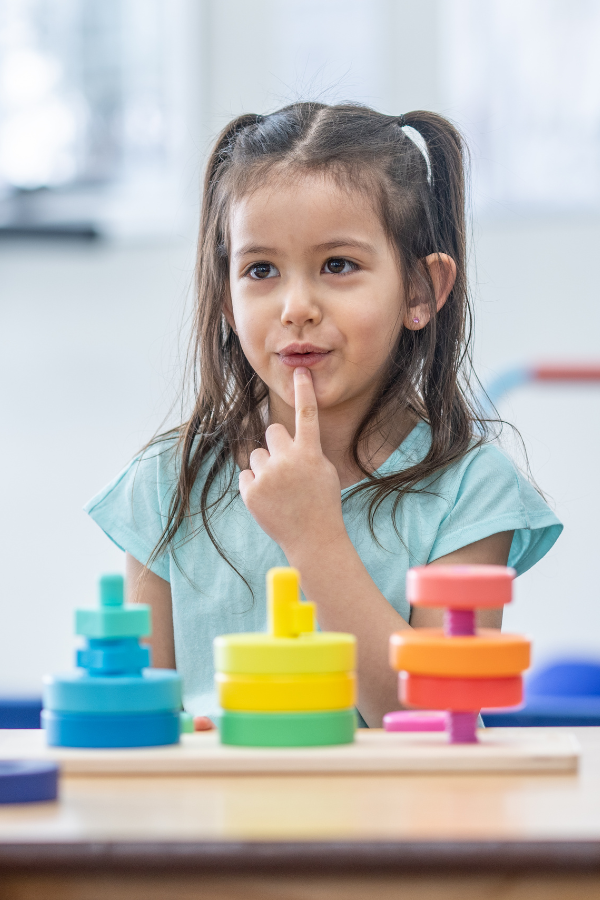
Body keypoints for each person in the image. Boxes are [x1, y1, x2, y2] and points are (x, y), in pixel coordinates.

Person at [85, 103, 562, 728]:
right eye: (260, 270)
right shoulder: (165, 481)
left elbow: (441, 717)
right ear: (226, 300)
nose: (296, 306)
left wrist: (313, 537)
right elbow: (137, 716)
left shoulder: (471, 491)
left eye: (338, 265)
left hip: (390, 824)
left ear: (422, 291)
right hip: (216, 819)